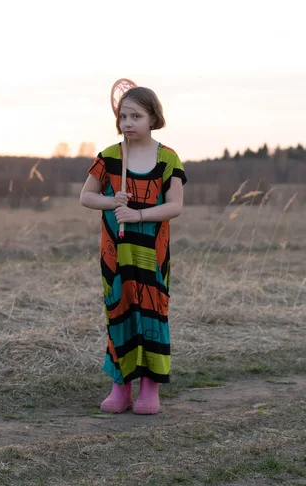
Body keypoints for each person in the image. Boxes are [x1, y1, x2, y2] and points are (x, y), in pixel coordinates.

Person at [80, 86, 187, 414]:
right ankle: (121, 388)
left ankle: (150, 390)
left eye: (136, 116)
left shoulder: (167, 158)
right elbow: (86, 197)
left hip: (152, 254)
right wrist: (113, 201)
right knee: (120, 313)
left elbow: (176, 207)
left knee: (152, 314)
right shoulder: (110, 157)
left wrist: (138, 214)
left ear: (153, 118)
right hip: (116, 255)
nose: (128, 122)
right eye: (123, 116)